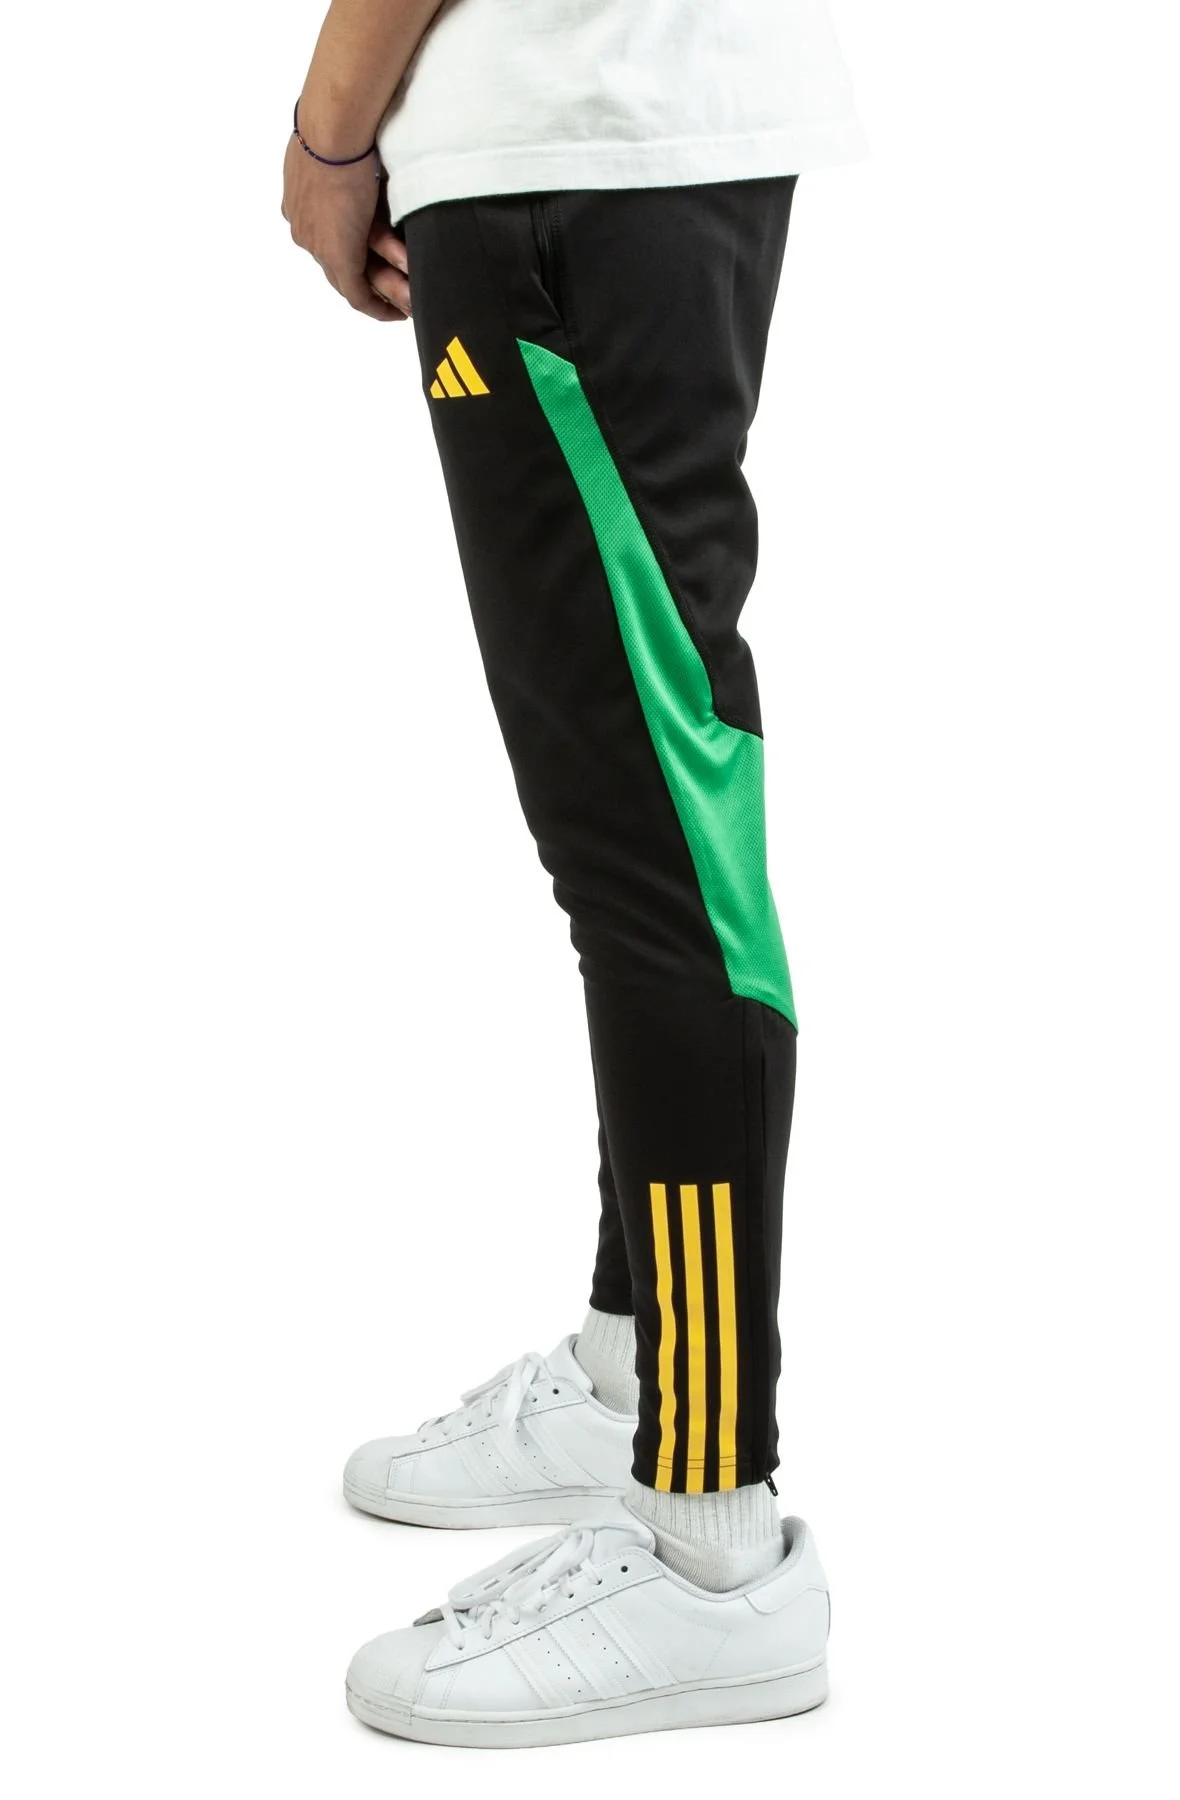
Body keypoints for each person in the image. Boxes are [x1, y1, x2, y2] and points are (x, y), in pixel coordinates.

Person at [283, 0, 863, 1748]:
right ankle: (634, 1367)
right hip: (598, 136)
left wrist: (328, 134)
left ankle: (709, 1533)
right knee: (637, 819)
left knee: (653, 841)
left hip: (572, 148)